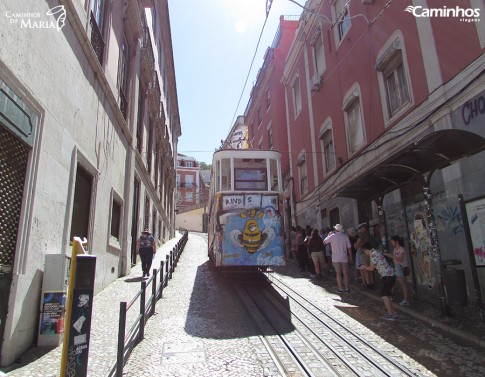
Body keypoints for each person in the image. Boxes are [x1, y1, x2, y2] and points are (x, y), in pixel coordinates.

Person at [361, 242, 397, 321]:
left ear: (365, 249)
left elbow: (371, 268)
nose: (365, 253)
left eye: (364, 251)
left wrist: (364, 267)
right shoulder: (377, 251)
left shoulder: (373, 254)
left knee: (384, 295)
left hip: (387, 276)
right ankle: (392, 312)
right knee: (387, 295)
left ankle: (391, 314)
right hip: (390, 274)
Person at [324, 224, 352, 293]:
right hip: (344, 257)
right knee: (345, 273)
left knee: (338, 273)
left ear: (336, 229)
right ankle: (346, 288)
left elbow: (324, 242)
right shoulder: (345, 236)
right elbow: (349, 248)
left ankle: (340, 288)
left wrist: (328, 235)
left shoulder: (332, 236)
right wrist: (350, 257)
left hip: (336, 258)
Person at [354, 222, 379, 289]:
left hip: (364, 253)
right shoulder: (370, 235)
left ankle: (367, 284)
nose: (360, 229)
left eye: (361, 228)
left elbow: (356, 245)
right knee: (370, 269)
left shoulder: (362, 235)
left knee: (364, 269)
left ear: (364, 228)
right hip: (371, 253)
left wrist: (357, 245)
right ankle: (371, 283)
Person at [389, 235, 410, 306]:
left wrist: (391, 256)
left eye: (392, 241)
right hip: (396, 267)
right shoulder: (395, 249)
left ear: (396, 242)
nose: (391, 243)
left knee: (403, 284)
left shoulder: (401, 249)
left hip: (401, 267)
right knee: (393, 281)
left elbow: (400, 260)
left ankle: (406, 300)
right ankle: (390, 295)